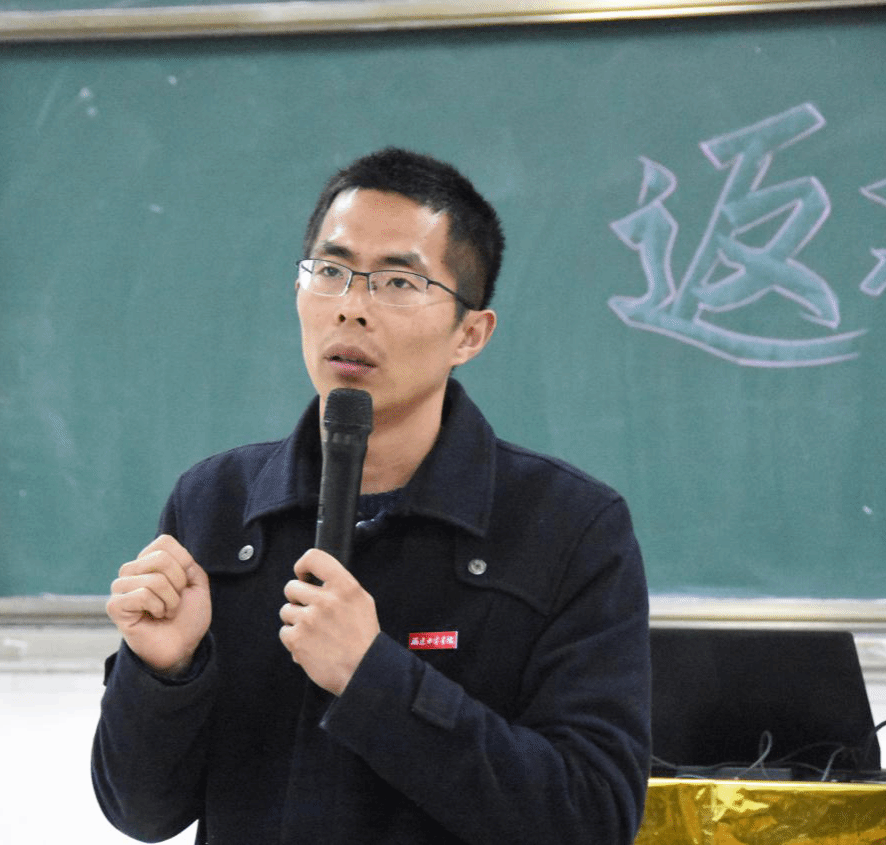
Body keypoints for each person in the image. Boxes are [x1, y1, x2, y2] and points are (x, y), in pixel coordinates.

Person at [92, 148, 651, 844]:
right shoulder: (215, 503)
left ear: (470, 334)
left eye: (398, 282)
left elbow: (592, 817)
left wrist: (372, 676)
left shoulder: (569, 527)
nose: (352, 309)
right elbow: (141, 813)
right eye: (330, 272)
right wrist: (163, 673)